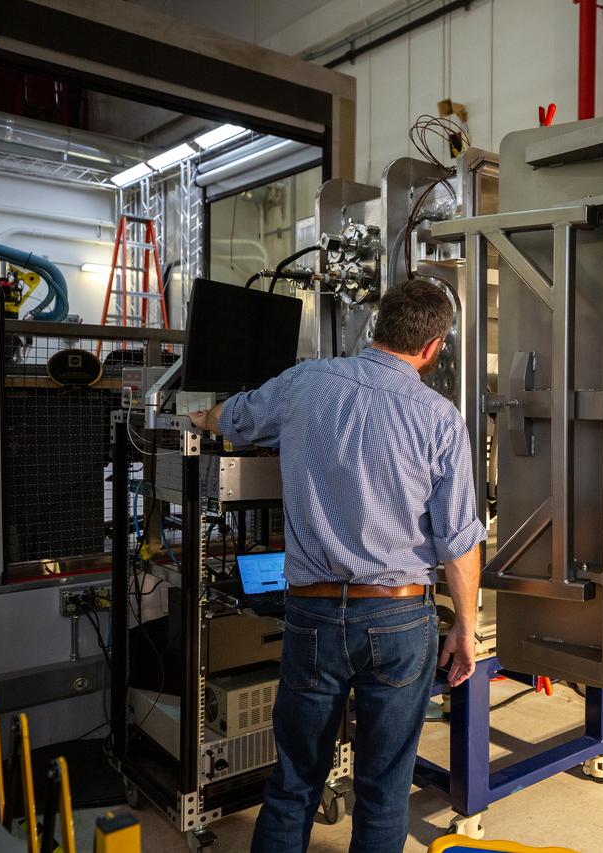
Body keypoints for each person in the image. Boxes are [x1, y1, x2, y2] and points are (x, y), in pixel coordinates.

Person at [188, 279, 484, 853]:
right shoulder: (441, 418)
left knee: (294, 782)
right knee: (383, 792)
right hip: (399, 620)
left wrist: (200, 418)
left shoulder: (306, 383)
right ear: (433, 347)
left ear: (376, 328)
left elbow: (234, 416)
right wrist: (466, 628)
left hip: (312, 615)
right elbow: (458, 540)